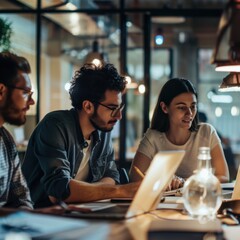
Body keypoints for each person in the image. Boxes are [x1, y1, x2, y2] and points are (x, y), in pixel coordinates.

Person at [22, 63, 139, 208]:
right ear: (88, 106)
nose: (119, 116)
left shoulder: (103, 130)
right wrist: (119, 191)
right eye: (113, 108)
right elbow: (60, 190)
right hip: (42, 216)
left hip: (82, 210)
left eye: (120, 107)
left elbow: (111, 175)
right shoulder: (55, 126)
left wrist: (84, 191)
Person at [129, 78, 229, 187]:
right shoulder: (153, 137)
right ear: (164, 107)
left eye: (193, 106)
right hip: (163, 203)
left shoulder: (207, 132)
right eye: (181, 107)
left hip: (198, 201)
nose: (189, 113)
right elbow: (134, 178)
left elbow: (223, 177)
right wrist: (161, 181)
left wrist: (185, 182)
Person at [0, 51, 34, 209]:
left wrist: (39, 216)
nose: (32, 101)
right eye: (26, 93)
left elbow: (22, 197)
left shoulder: (6, 139)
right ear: (1, 91)